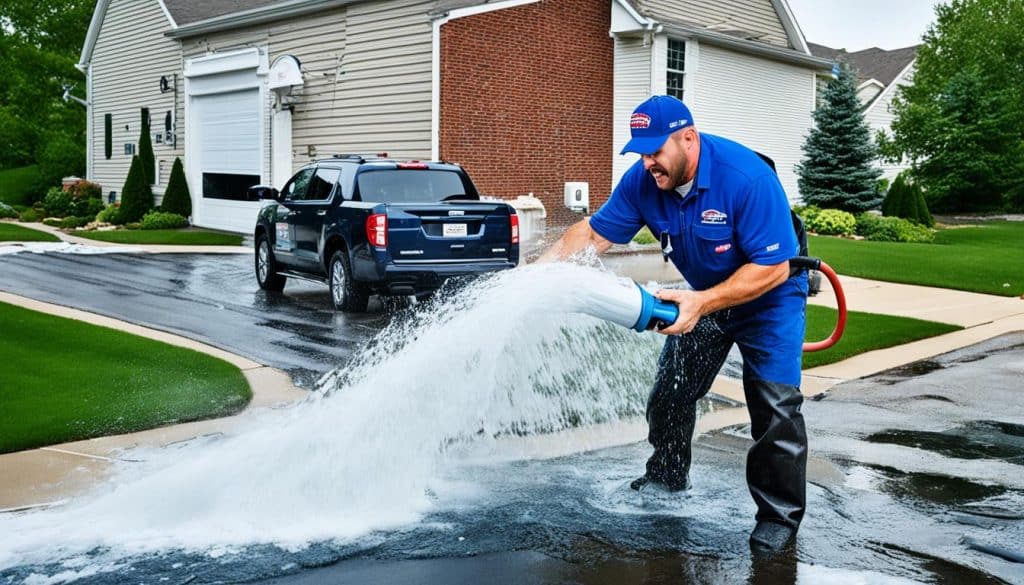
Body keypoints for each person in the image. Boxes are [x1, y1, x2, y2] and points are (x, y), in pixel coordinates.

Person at [539, 95, 808, 552]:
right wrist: (536, 279)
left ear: (688, 138)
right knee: (670, 391)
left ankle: (778, 519)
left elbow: (774, 268)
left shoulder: (746, 178)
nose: (648, 163)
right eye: (640, 153)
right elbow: (591, 234)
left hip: (770, 297)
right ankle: (666, 477)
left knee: (775, 408)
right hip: (700, 298)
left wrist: (703, 302)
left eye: (655, 151)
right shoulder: (644, 182)